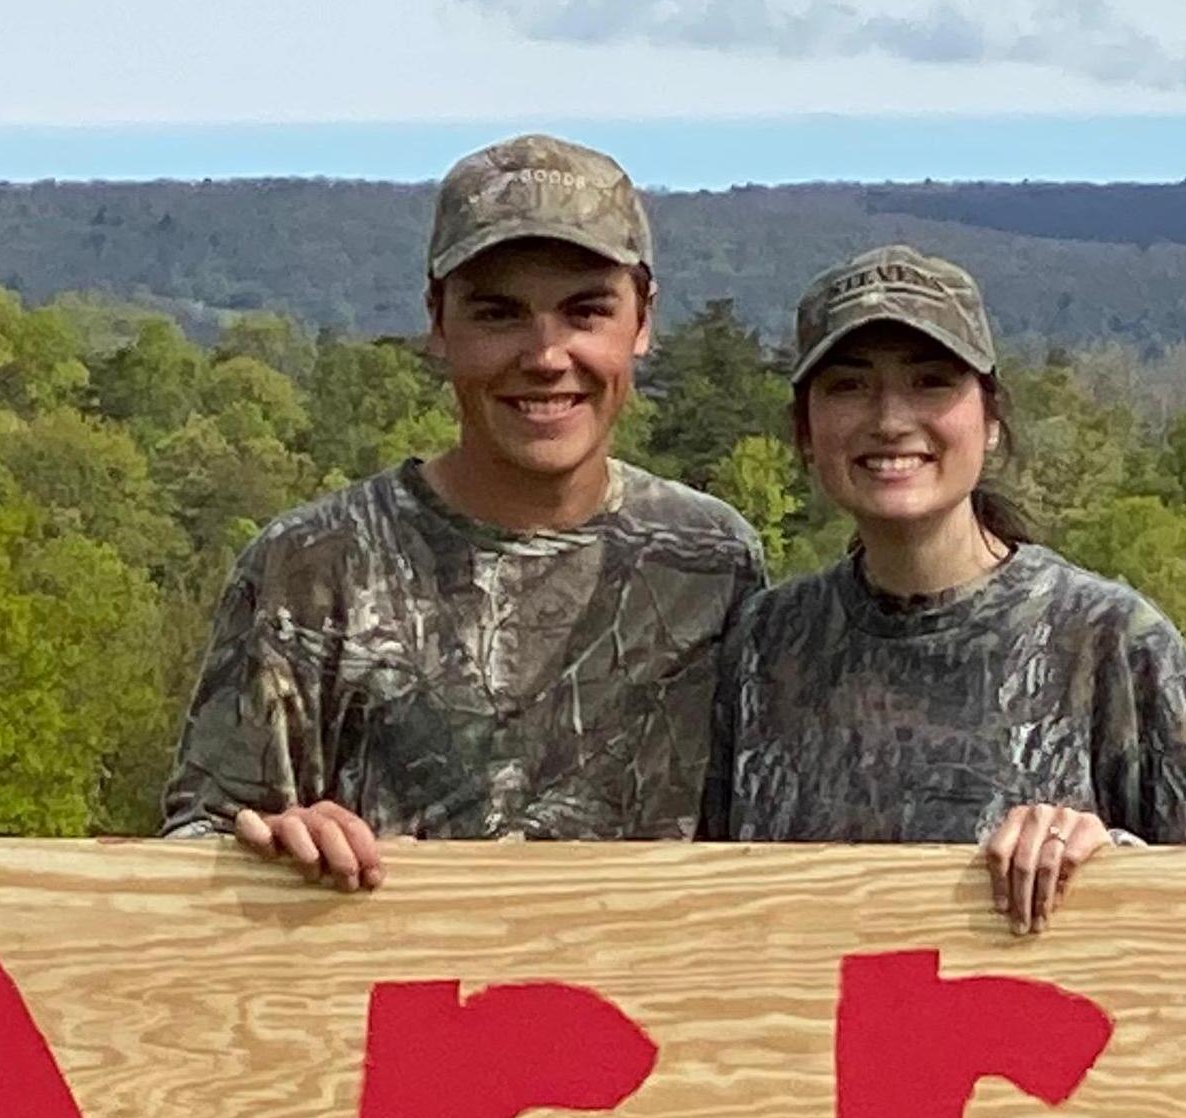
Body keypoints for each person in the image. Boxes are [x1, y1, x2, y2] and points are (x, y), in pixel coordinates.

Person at [161, 134, 763, 886]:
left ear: (642, 322)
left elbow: (761, 844)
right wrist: (276, 842)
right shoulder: (313, 565)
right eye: (498, 314)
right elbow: (194, 853)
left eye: (585, 312)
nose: (545, 356)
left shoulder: (708, 559)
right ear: (438, 322)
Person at [701, 244, 1186, 929]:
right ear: (804, 431)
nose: (889, 420)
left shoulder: (1110, 641)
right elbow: (702, 898)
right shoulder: (764, 642)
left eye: (931, 382)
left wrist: (1109, 863)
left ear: (990, 419)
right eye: (848, 386)